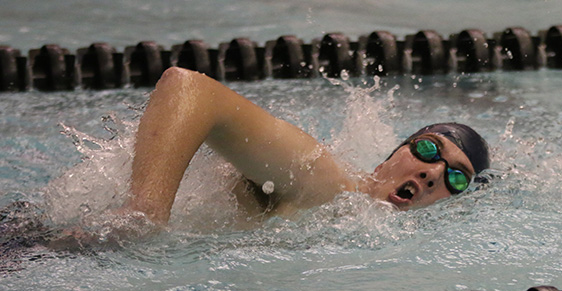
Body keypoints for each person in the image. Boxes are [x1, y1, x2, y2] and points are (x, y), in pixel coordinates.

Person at [125, 67, 490, 227]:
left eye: (457, 179)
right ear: (391, 156)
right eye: (428, 150)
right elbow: (190, 87)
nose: (433, 173)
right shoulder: (326, 182)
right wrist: (145, 213)